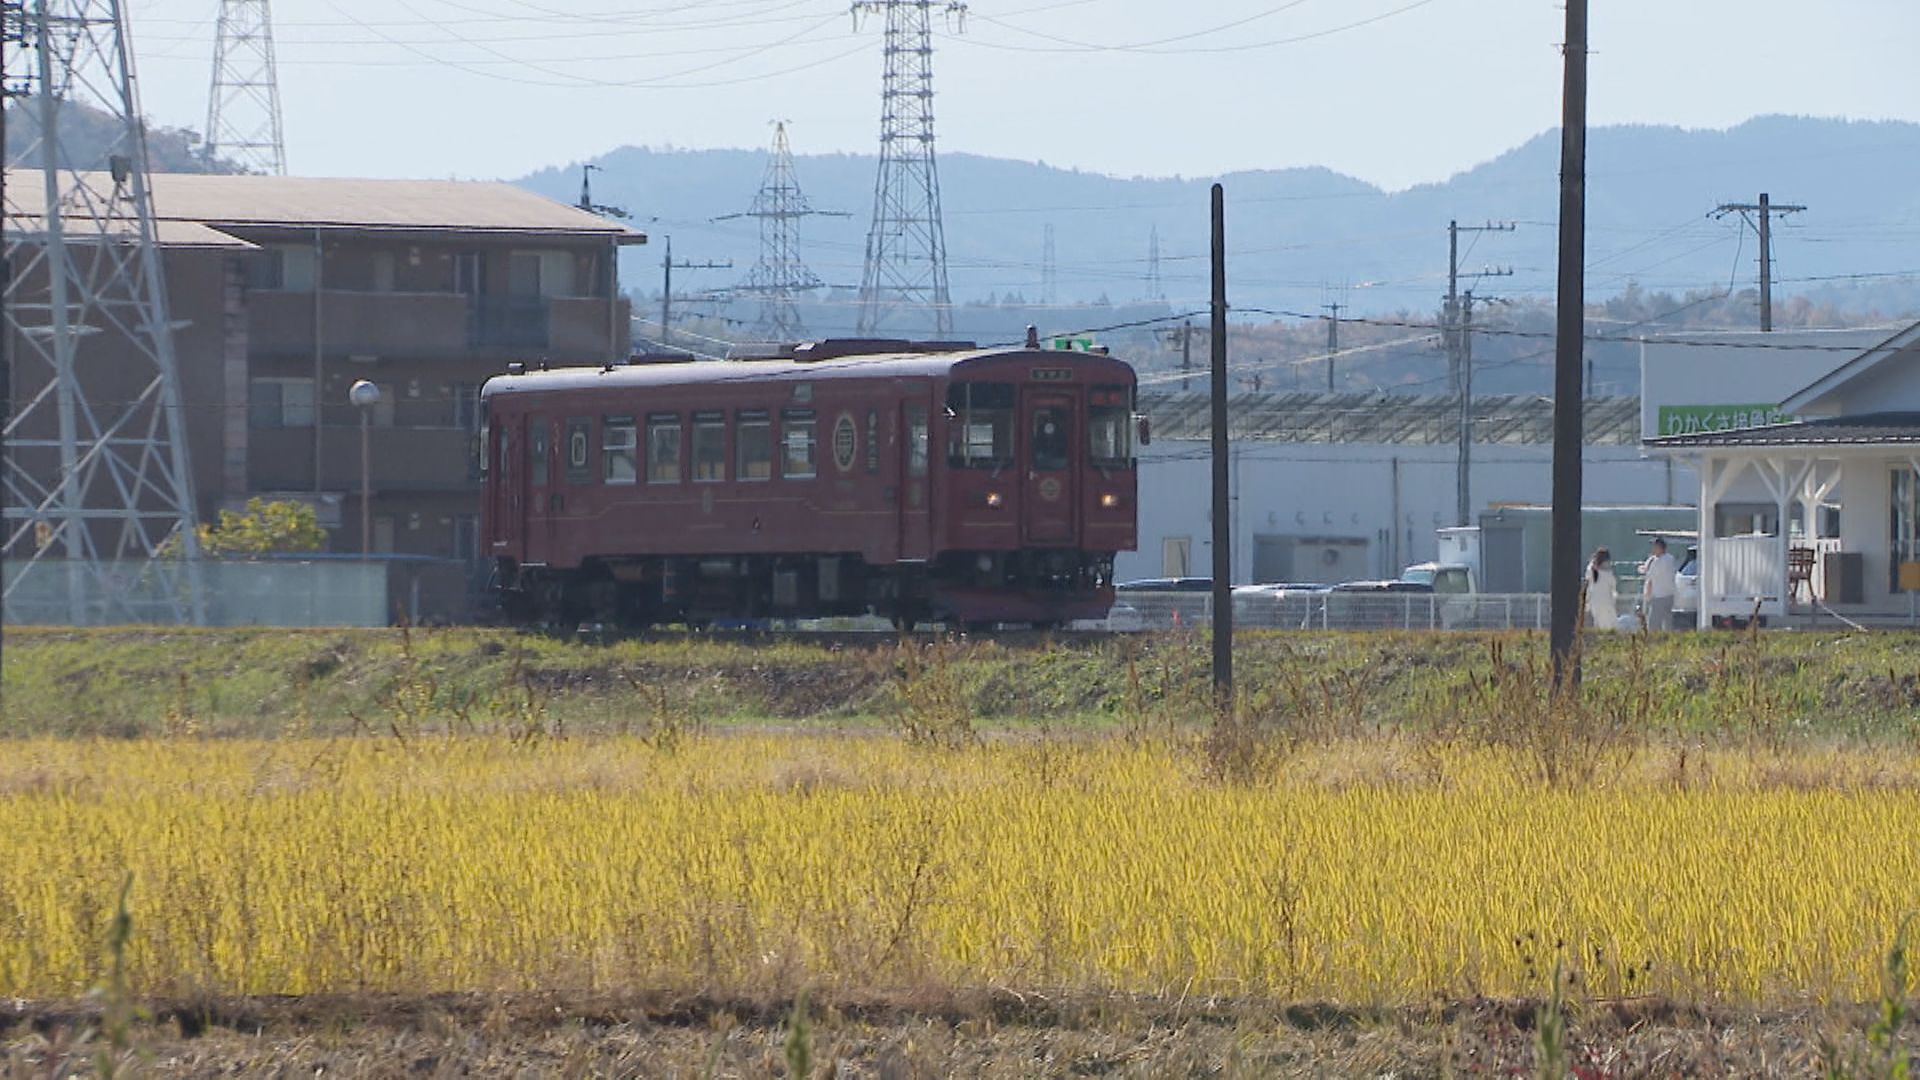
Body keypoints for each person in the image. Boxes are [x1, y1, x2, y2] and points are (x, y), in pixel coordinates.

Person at [1641, 537, 1678, 631]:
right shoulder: (1670, 558)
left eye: (1654, 546)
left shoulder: (1657, 561)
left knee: (1653, 624)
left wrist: (1647, 596)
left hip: (1658, 597)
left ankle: (1655, 642)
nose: (1653, 549)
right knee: (1667, 622)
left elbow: (1650, 578)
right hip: (1670, 595)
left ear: (1660, 547)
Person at [1585, 547, 1617, 629]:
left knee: (1598, 626)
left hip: (1594, 603)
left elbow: (1588, 587)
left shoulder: (1590, 569)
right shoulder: (1607, 573)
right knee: (1608, 627)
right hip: (1606, 604)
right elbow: (1613, 586)